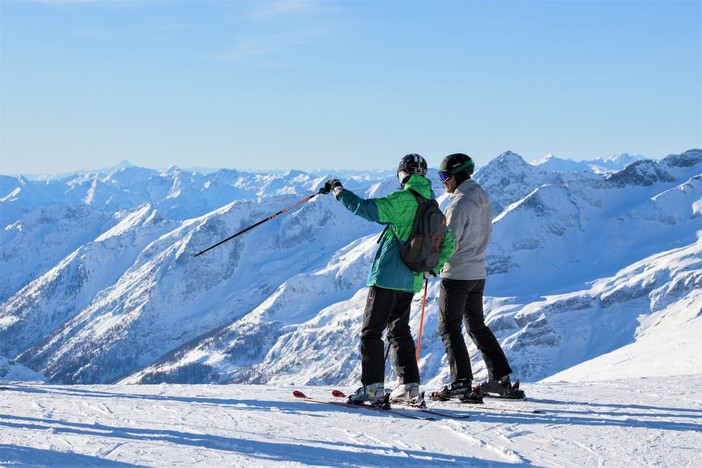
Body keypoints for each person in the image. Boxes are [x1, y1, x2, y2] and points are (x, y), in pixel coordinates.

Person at [320, 154, 454, 405]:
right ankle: (410, 387)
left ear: (403, 173)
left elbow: (366, 209)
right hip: (412, 280)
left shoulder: (403, 200)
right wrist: (433, 268)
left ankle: (372, 387)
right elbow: (449, 242)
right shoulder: (432, 204)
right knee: (400, 332)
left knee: (371, 333)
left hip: (387, 278)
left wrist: (338, 191)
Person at [435, 152, 523, 401]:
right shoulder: (482, 198)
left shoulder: (459, 203)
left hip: (456, 274)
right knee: (476, 325)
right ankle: (500, 378)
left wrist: (433, 266)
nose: (443, 181)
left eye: (445, 176)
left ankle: (461, 381)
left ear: (458, 174)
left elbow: (448, 242)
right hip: (477, 273)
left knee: (448, 327)